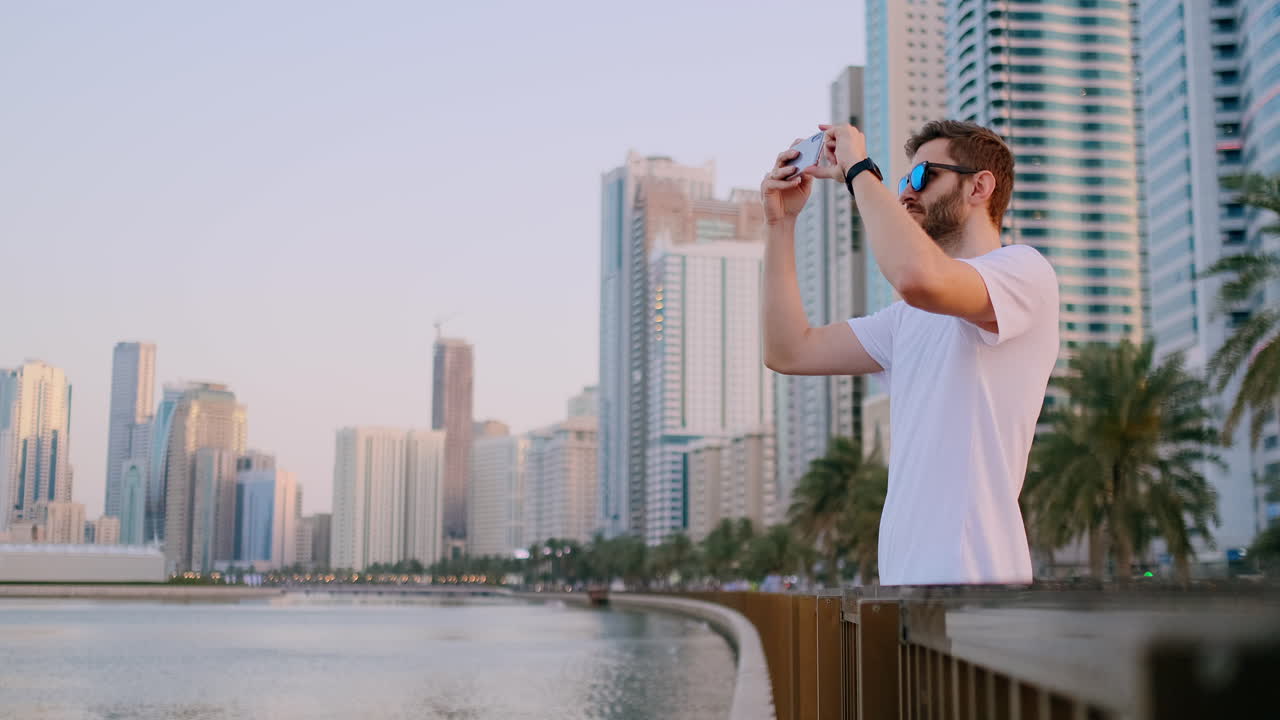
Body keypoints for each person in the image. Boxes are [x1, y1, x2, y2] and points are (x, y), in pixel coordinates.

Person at [760, 120, 1059, 585]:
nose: (906, 193)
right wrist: (780, 223)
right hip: (904, 591)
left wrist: (860, 170)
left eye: (922, 176)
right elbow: (789, 351)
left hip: (979, 589)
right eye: (903, 181)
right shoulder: (905, 320)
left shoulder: (1023, 271)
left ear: (980, 186)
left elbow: (918, 278)